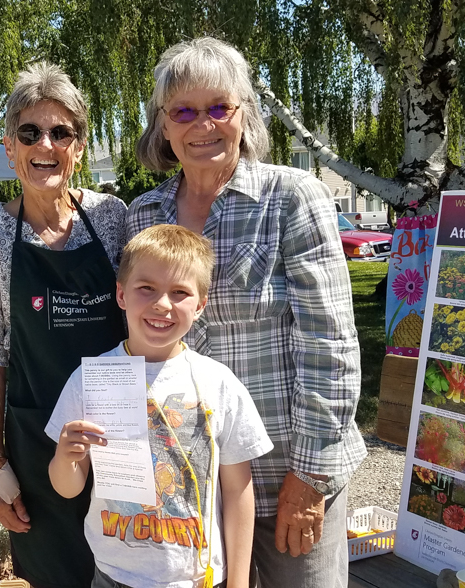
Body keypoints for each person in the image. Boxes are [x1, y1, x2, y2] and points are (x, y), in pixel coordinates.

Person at [125, 37, 365, 587]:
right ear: (164, 126)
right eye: (184, 111)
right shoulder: (145, 214)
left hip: (287, 474)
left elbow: (330, 344)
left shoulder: (291, 197)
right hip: (193, 485)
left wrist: (310, 476)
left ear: (244, 115)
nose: (202, 124)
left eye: (219, 107)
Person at [0, 62, 128, 588]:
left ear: (79, 147)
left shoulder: (113, 217)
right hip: (37, 442)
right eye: (30, 132)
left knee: (130, 568)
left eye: (62, 132)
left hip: (120, 436)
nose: (46, 145)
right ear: (10, 147)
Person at [47, 224, 273, 588]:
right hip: (115, 577)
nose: (162, 304)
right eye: (146, 288)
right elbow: (68, 488)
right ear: (121, 294)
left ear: (200, 305)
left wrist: (239, 581)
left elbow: (237, 491)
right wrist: (66, 457)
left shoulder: (219, 383)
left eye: (179, 292)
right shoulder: (89, 380)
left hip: (199, 578)